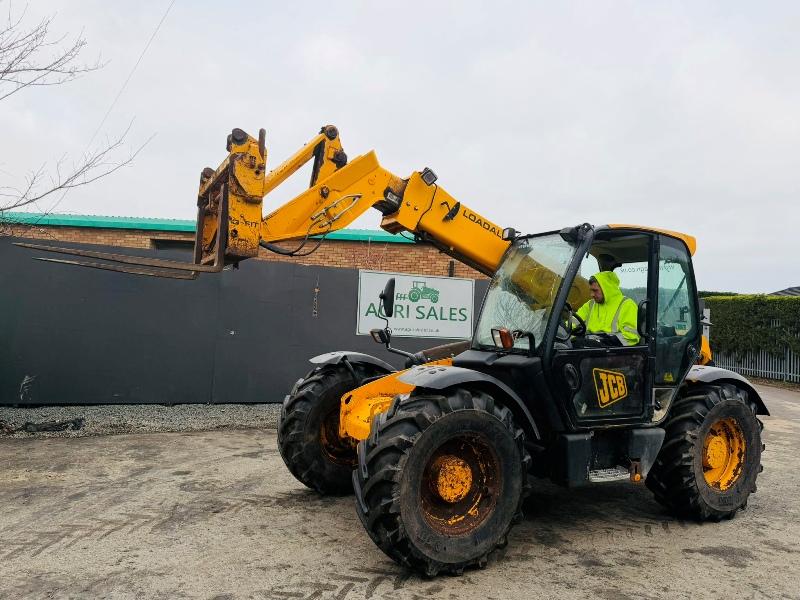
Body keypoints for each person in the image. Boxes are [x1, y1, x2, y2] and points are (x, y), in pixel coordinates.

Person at [575, 271, 640, 346]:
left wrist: (604, 342)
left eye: (595, 291)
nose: (592, 294)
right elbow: (574, 322)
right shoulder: (590, 304)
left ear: (607, 289)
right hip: (589, 348)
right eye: (591, 290)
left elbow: (631, 337)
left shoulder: (627, 305)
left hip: (614, 352)